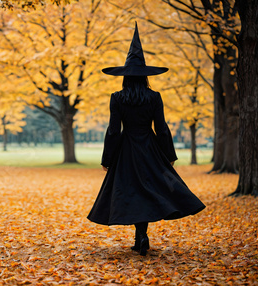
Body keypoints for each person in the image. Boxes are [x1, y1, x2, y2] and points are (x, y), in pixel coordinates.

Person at [87, 23, 206, 256]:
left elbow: (113, 130)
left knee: (131, 190)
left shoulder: (117, 98)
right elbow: (161, 128)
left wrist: (108, 158)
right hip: (149, 148)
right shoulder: (154, 97)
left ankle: (140, 236)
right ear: (145, 77)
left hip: (126, 150)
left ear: (125, 77)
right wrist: (168, 156)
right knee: (148, 189)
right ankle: (140, 236)